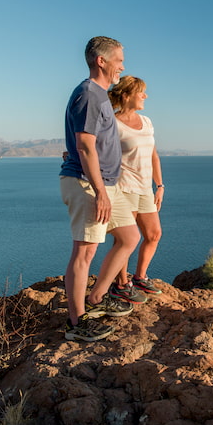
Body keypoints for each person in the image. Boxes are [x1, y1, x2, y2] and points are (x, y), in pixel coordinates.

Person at [59, 36, 141, 342]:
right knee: (85, 252)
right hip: (88, 184)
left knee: (129, 236)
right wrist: (100, 192)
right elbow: (85, 145)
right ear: (101, 61)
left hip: (106, 183)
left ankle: (96, 298)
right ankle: (76, 323)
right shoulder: (89, 94)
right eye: (119, 60)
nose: (123, 65)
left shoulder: (100, 95)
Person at [108, 76, 164, 299]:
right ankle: (121, 284)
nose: (145, 96)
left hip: (145, 189)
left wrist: (159, 185)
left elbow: (153, 156)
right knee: (125, 240)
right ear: (126, 95)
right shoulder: (112, 123)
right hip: (123, 189)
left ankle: (140, 278)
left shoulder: (147, 122)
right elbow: (93, 146)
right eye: (141, 92)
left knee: (153, 234)